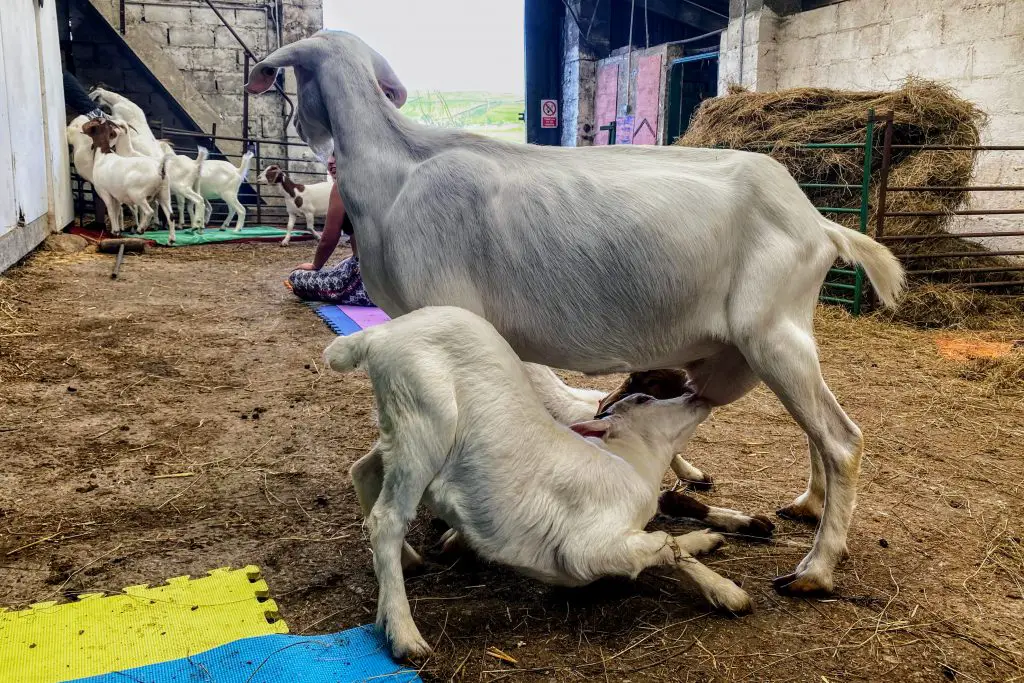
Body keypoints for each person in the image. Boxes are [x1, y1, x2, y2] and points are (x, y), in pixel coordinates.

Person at [286, 155, 374, 306]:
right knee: (345, 263)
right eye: (330, 156)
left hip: (371, 285)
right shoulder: (385, 180)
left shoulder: (344, 185)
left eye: (338, 154)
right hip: (399, 277)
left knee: (295, 278)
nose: (331, 161)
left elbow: (328, 238)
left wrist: (315, 266)